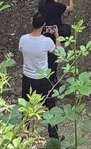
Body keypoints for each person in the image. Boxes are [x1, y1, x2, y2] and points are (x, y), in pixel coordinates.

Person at [19, 13, 59, 142]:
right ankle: (53, 137)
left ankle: (23, 136)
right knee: (50, 106)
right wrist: (57, 37)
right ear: (43, 26)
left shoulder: (23, 39)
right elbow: (59, 52)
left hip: (27, 78)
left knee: (26, 106)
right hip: (43, 79)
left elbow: (21, 49)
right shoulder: (46, 41)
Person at [35, 0, 73, 81]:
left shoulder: (41, 4)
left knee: (46, 58)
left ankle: (48, 77)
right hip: (54, 35)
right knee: (54, 58)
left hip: (43, 34)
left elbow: (51, 4)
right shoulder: (57, 7)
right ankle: (52, 80)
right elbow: (70, 8)